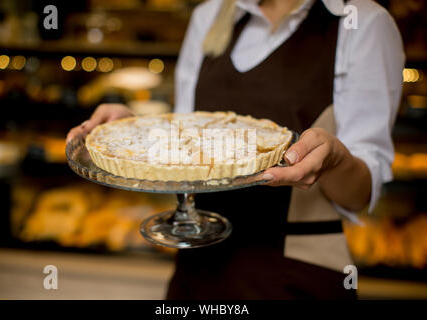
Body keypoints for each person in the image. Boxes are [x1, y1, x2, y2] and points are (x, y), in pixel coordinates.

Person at [67, 0, 404, 299]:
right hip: (197, 262)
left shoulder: (361, 22)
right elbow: (187, 144)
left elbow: (358, 197)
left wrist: (336, 159)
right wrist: (136, 131)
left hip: (296, 272)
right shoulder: (209, 14)